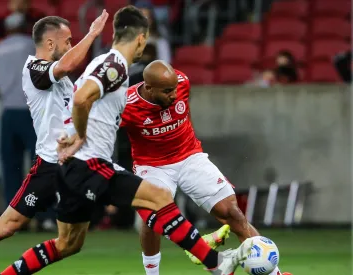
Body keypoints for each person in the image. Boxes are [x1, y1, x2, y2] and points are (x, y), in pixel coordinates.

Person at [0, 6, 251, 275]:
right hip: (88, 163)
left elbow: (78, 98)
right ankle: (215, 263)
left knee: (68, 244)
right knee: (158, 197)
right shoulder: (115, 65)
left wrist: (70, 134)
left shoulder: (111, 64)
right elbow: (81, 98)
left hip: (72, 166)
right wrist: (80, 136)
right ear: (141, 38)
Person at [0, 11, 109, 275]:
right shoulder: (34, 68)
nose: (71, 45)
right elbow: (68, 64)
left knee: (71, 243)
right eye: (68, 40)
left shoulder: (64, 80)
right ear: (50, 44)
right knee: (9, 225)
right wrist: (92, 34)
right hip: (50, 166)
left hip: (76, 164)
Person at [120, 60, 292, 275]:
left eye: (174, 90)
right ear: (148, 87)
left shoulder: (182, 82)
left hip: (189, 156)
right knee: (152, 218)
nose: (173, 95)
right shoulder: (125, 103)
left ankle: (275, 274)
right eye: (166, 92)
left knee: (233, 213)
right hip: (152, 166)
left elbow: (184, 114)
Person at [0, 12, 38, 207]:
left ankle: (13, 211)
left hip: (8, 112)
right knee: (39, 165)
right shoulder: (30, 45)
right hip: (31, 111)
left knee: (10, 166)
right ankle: (44, 214)